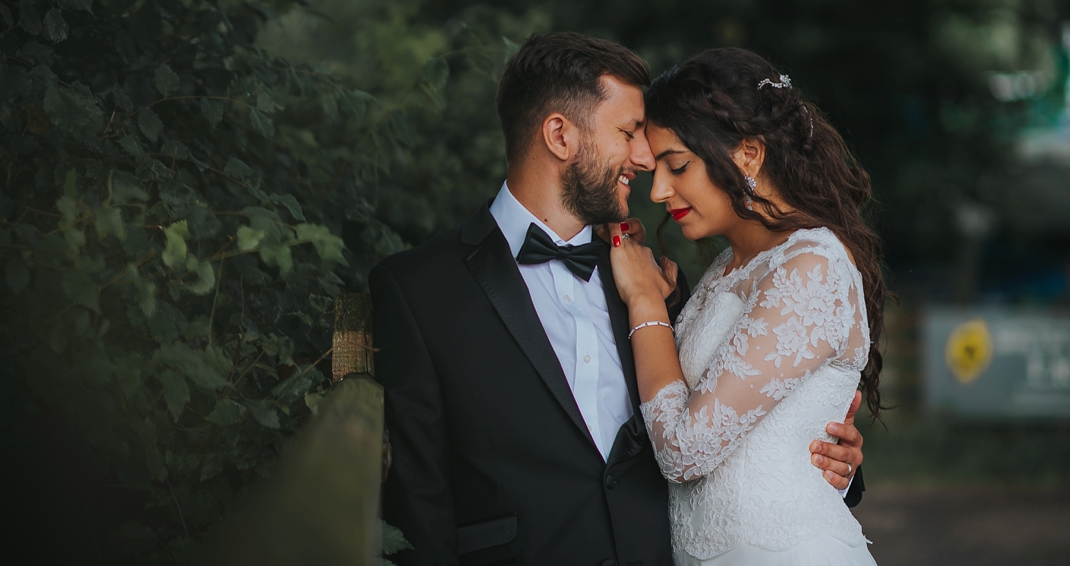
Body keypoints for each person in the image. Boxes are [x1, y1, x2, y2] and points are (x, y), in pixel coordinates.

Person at [370, 33, 865, 565]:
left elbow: (753, 406)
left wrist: (843, 460)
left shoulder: (654, 281)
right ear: (560, 135)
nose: (645, 158)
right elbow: (420, 500)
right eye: (629, 131)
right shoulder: (419, 290)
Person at [605, 47, 883, 565]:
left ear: (749, 155)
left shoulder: (812, 265)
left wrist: (644, 303)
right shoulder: (727, 269)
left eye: (678, 166)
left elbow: (685, 449)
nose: (660, 191)